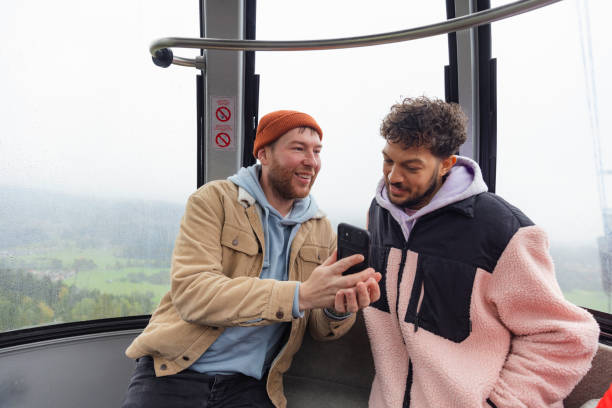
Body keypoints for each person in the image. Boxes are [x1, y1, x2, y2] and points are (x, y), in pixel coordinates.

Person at [121, 110, 381, 408]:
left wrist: (339, 310)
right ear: (264, 154)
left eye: (317, 151)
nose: (311, 161)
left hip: (251, 385)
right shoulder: (213, 201)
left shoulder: (321, 231)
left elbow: (320, 328)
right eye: (298, 148)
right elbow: (193, 294)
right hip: (176, 371)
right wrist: (301, 294)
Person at [363, 96, 600, 407]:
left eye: (411, 166)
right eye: (388, 160)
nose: (393, 176)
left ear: (446, 164)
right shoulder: (380, 214)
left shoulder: (503, 231)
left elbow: (566, 336)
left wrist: (502, 403)